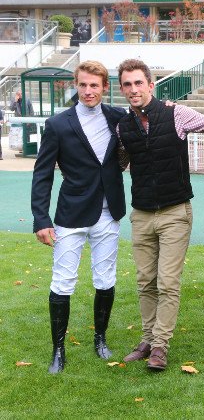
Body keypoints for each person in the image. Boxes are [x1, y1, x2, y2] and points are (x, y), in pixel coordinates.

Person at [116, 59, 204, 370]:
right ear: (122, 89)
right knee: (145, 282)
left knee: (168, 282)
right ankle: (147, 339)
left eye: (138, 83)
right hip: (141, 214)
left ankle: (160, 346)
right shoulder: (122, 127)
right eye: (127, 84)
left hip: (175, 212)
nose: (133, 89)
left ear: (150, 85)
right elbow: (118, 163)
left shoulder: (176, 114)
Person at [31, 60, 128, 374]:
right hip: (70, 214)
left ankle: (100, 339)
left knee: (105, 279)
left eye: (94, 85)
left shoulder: (118, 117)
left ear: (104, 87)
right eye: (83, 85)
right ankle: (58, 350)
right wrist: (41, 219)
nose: (88, 91)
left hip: (108, 213)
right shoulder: (58, 124)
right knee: (62, 281)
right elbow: (42, 174)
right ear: (76, 85)